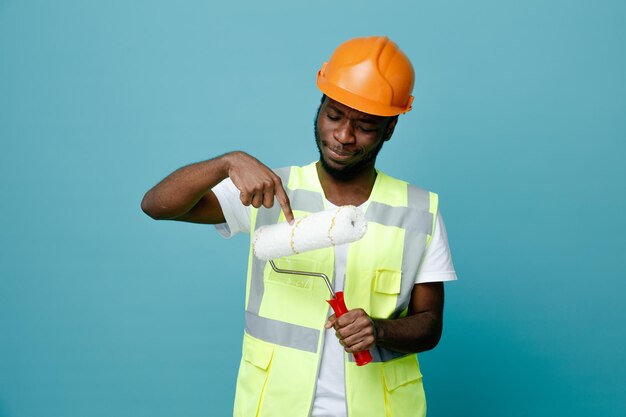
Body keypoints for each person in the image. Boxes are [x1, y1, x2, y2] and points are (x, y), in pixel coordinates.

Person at [142, 36, 457, 417]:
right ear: (320, 108)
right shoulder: (268, 190)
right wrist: (225, 163)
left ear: (389, 129)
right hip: (277, 407)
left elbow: (429, 325)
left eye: (366, 126)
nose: (343, 136)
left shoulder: (419, 210)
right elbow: (156, 205)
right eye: (334, 116)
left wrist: (379, 329)